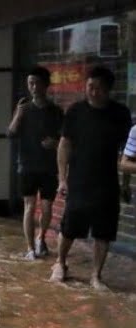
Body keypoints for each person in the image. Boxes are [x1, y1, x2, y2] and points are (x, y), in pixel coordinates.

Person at [51, 66, 132, 290]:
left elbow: (126, 152)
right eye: (90, 87)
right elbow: (64, 145)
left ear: (108, 90)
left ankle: (96, 275)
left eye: (98, 89)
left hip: (107, 181)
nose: (93, 92)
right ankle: (60, 262)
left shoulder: (120, 114)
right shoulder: (76, 111)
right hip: (79, 179)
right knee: (70, 226)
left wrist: (125, 184)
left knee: (103, 231)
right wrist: (62, 179)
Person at [7, 66, 64, 260]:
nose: (32, 87)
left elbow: (65, 140)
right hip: (27, 165)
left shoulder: (55, 111)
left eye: (36, 83)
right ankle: (30, 248)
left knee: (47, 206)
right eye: (30, 83)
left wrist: (55, 144)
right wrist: (18, 114)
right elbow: (11, 133)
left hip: (49, 166)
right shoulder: (24, 108)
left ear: (46, 85)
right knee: (29, 206)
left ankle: (41, 238)